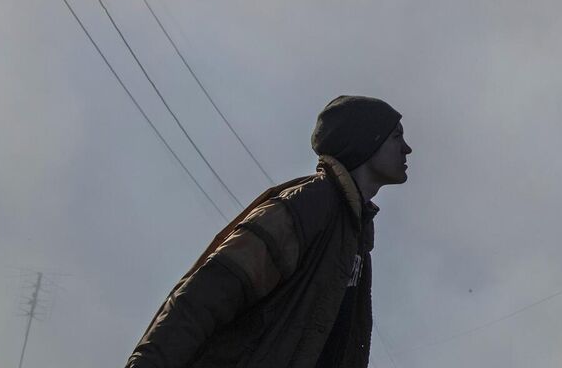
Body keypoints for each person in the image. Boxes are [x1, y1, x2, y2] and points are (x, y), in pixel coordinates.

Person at [125, 95, 411, 368]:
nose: (406, 148)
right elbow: (211, 290)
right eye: (396, 136)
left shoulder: (355, 235)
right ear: (366, 142)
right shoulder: (310, 205)